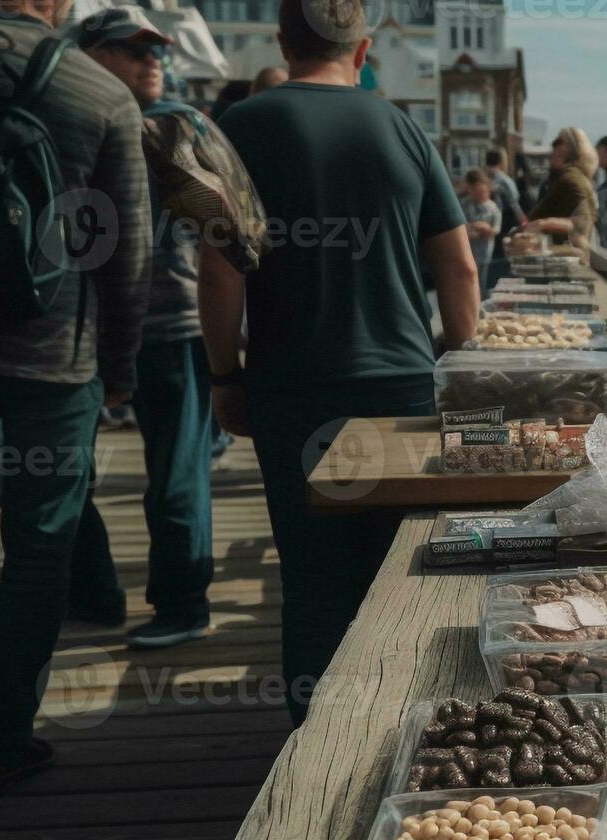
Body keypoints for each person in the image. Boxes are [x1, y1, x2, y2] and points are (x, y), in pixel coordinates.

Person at [206, 0, 479, 725]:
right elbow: (458, 270)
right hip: (400, 387)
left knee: (312, 576)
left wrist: (224, 374)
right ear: (362, 52)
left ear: (282, 43)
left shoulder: (242, 127)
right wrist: (456, 361)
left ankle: (314, 739)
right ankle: (404, 731)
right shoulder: (399, 126)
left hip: (292, 388)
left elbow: (221, 272)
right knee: (399, 574)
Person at [0, 0, 152, 795]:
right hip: (55, 358)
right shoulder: (98, 93)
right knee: (39, 549)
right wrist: (120, 369)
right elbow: (125, 249)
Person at [68, 7, 227, 649]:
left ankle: (183, 605)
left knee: (175, 475)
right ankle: (92, 590)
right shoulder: (76, 119)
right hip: (82, 327)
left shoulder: (179, 125)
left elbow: (233, 225)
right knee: (61, 474)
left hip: (173, 323)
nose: (152, 60)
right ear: (91, 57)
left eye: (156, 50)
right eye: (132, 50)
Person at [526, 127, 599, 251]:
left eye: (557, 142)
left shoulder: (572, 180)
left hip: (566, 259)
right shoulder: (565, 178)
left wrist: (544, 224)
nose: (552, 147)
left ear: (571, 149)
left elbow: (582, 223)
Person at [461, 168, 501, 296]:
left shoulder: (493, 208)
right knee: (467, 281)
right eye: (475, 192)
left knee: (482, 281)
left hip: (485, 252)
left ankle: (481, 300)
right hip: (467, 252)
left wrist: (487, 229)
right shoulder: (465, 205)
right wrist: (472, 228)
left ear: (488, 190)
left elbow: (496, 229)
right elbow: (460, 227)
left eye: (482, 192)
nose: (479, 196)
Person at [484, 147, 526, 262]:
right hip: (503, 224)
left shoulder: (483, 178)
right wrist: (523, 221)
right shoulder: (504, 180)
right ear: (502, 161)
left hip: (484, 224)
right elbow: (513, 204)